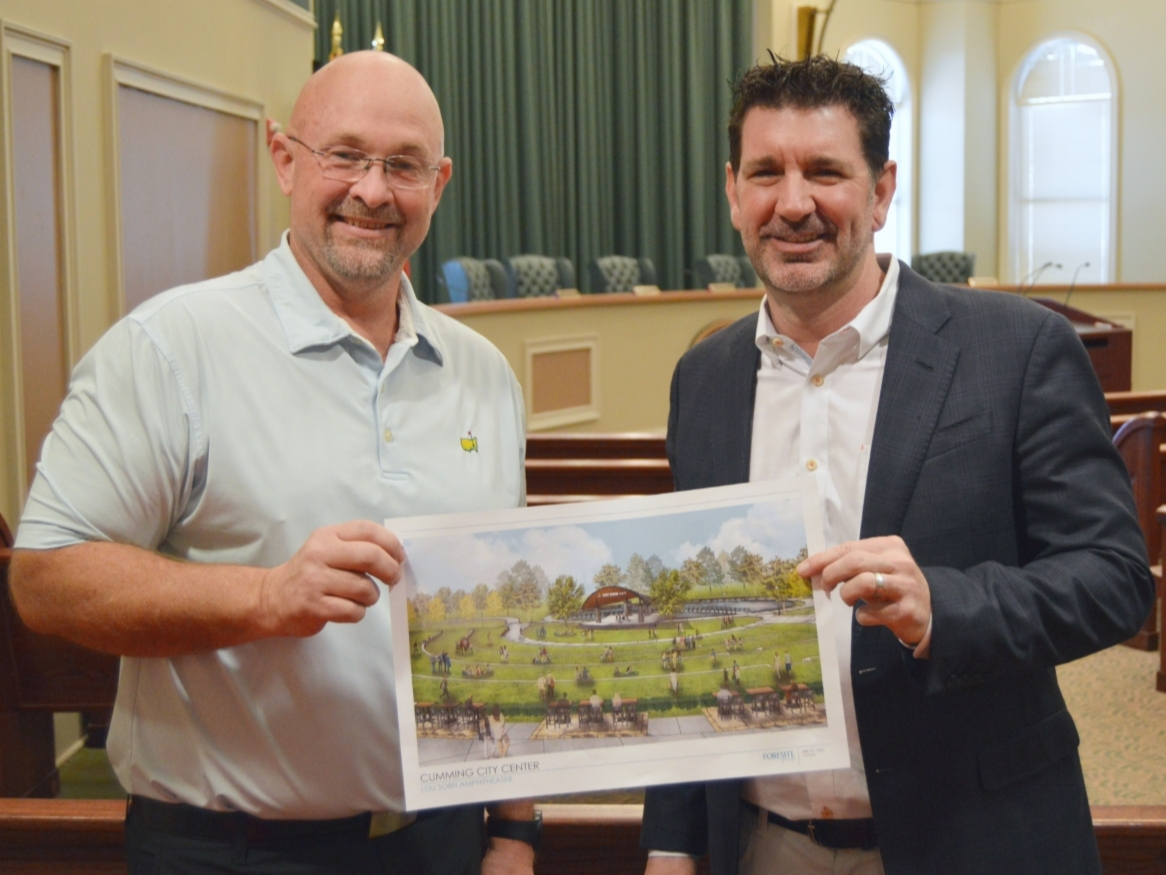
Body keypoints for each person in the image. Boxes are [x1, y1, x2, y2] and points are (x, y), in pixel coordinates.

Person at [9, 52, 539, 875]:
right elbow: (44, 578)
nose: (372, 190)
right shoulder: (170, 350)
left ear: (439, 183)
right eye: (345, 155)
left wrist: (514, 829)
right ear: (285, 159)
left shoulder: (486, 377)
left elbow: (508, 620)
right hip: (231, 850)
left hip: (439, 843)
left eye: (403, 165)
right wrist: (263, 595)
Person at [640, 55, 1154, 875]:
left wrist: (943, 605)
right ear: (734, 190)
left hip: (973, 838)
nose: (794, 202)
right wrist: (672, 838)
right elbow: (688, 626)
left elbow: (1117, 580)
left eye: (826, 172)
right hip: (760, 844)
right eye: (767, 172)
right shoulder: (701, 380)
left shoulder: (1017, 350)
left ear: (881, 191)